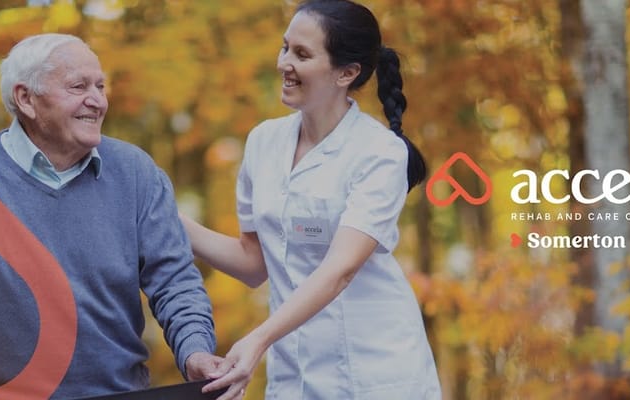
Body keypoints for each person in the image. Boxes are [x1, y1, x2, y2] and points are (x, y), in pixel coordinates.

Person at [0, 33, 222, 399]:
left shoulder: (136, 173)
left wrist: (195, 349)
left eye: (100, 86)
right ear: (26, 99)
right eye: (78, 86)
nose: (97, 100)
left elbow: (174, 281)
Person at [185, 1, 441, 399]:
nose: (284, 62)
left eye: (302, 54)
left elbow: (339, 270)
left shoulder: (379, 153)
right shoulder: (263, 142)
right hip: (294, 378)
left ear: (347, 72)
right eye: (285, 47)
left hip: (375, 375)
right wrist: (163, 219)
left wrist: (259, 339)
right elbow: (254, 263)